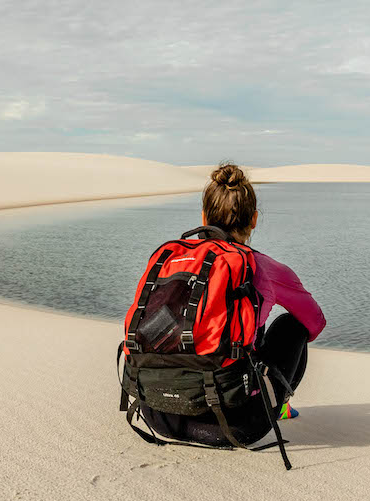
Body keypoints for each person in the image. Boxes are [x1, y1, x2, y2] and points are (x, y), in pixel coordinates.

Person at [139, 162, 326, 447]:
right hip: (234, 426)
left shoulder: (173, 260)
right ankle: (280, 403)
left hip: (157, 415)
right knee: (290, 325)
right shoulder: (266, 268)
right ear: (253, 219)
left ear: (204, 216)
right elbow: (314, 323)